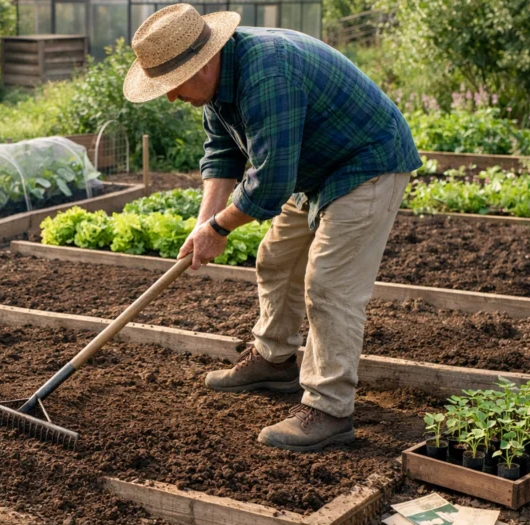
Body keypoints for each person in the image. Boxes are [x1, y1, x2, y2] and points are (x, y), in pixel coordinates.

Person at [122, 4, 421, 452]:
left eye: (174, 84)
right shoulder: (217, 87)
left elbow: (271, 181)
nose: (170, 97)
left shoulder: (267, 74)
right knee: (276, 259)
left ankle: (329, 409)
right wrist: (205, 223)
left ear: (203, 62)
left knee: (329, 285)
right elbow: (222, 154)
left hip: (367, 164)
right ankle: (274, 359)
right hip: (314, 168)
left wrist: (219, 229)